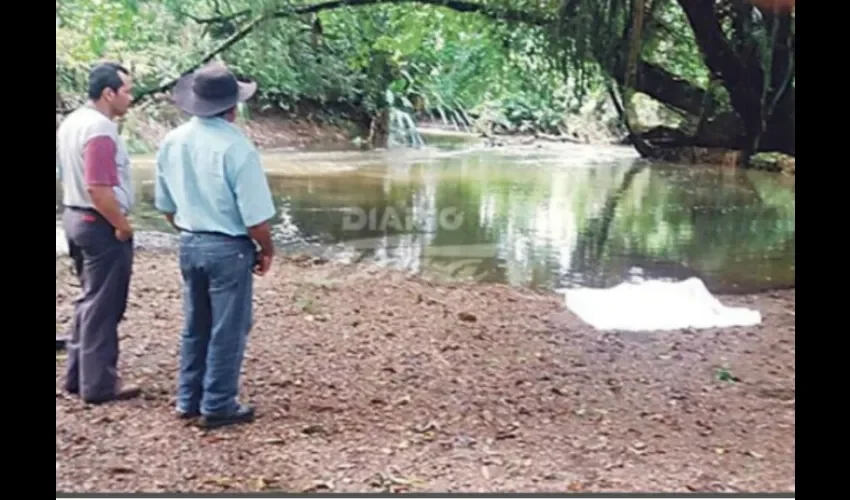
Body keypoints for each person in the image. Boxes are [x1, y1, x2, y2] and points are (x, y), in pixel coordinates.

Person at [154, 62, 276, 429]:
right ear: (232, 108)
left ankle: (188, 398)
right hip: (228, 247)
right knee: (228, 327)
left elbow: (166, 207)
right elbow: (256, 218)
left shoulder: (171, 141)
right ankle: (219, 403)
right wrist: (266, 249)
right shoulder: (237, 147)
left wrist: (193, 229)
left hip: (190, 242)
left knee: (196, 324)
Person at [56, 61, 140, 403]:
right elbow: (98, 187)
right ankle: (99, 385)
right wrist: (122, 225)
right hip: (98, 221)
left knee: (90, 299)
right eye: (127, 91)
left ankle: (77, 376)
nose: (130, 98)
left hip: (75, 217)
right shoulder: (100, 130)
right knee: (105, 304)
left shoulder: (72, 122)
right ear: (109, 93)